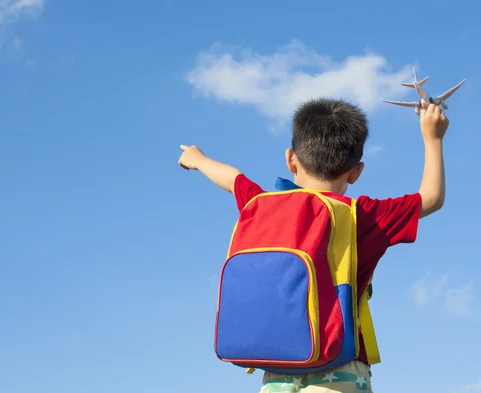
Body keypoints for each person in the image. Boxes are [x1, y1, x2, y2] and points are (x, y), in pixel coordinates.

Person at [178, 98, 449, 393]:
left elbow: (234, 179)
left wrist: (198, 160)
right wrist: (432, 137)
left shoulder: (262, 206)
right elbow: (431, 197)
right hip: (341, 366)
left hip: (276, 369)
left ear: (291, 159)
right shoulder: (363, 215)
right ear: (356, 172)